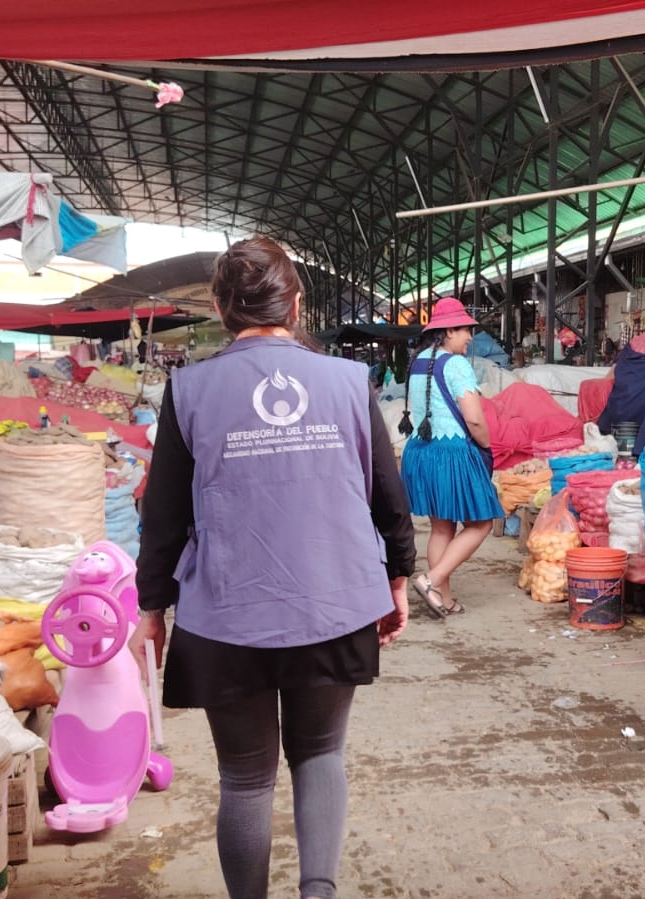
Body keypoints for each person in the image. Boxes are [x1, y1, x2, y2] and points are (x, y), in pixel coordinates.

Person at [134, 236, 414, 899]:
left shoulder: (189, 389)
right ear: (296, 303)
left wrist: (151, 606)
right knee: (320, 753)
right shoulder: (347, 381)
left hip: (227, 614)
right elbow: (388, 493)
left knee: (244, 777)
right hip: (335, 603)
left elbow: (163, 514)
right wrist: (398, 576)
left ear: (219, 307)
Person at [399, 297, 502, 619]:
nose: (470, 337)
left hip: (420, 453)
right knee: (481, 523)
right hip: (451, 454)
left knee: (441, 528)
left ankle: (442, 598)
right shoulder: (455, 364)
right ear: (448, 332)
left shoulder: (418, 362)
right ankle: (431, 579)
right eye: (465, 330)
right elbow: (473, 419)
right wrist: (486, 445)